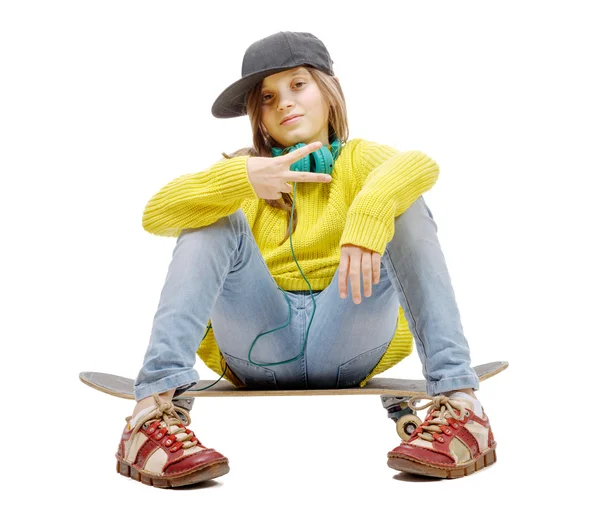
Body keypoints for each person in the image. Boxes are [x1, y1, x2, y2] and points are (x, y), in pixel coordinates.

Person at [115, 31, 497, 488]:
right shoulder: (246, 173)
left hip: (347, 334)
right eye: (269, 96)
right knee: (210, 215)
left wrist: (369, 216)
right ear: (258, 114)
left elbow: (420, 165)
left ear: (328, 91)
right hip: (256, 344)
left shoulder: (359, 159)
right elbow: (156, 214)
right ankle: (150, 414)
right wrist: (240, 178)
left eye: (299, 85)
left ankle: (460, 401)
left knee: (404, 202)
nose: (284, 104)